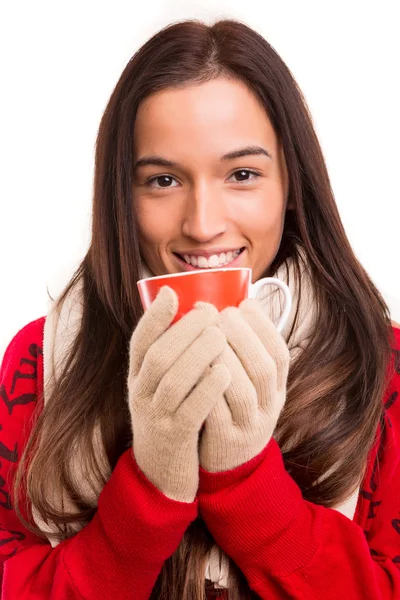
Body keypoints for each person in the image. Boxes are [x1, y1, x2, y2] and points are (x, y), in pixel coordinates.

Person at [0, 17, 399, 600]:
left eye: (242, 174)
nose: (203, 224)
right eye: (162, 180)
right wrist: (150, 487)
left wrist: (244, 481)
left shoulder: (383, 366)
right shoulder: (40, 361)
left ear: (291, 185)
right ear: (121, 198)